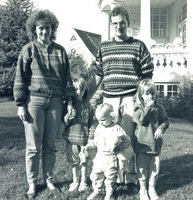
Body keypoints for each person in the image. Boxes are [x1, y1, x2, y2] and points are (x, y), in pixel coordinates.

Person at [13, 9, 75, 198]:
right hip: (35, 102)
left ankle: (48, 179)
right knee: (33, 146)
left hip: (55, 102)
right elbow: (20, 78)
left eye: (47, 28)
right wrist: (20, 104)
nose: (44, 32)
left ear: (52, 29)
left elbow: (68, 80)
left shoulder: (60, 51)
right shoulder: (28, 49)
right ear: (35, 29)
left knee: (50, 145)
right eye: (40, 28)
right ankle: (32, 183)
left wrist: (70, 102)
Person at [93, 6, 154, 190]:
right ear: (111, 25)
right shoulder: (104, 47)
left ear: (128, 23)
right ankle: (114, 177)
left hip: (130, 98)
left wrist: (145, 99)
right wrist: (89, 97)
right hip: (109, 100)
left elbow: (147, 76)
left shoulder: (138, 46)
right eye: (115, 24)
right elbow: (97, 74)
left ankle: (131, 178)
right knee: (110, 139)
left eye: (122, 23)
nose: (118, 27)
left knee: (127, 139)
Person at [83, 103, 133, 200]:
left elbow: (127, 140)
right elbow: (95, 142)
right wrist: (89, 146)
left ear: (111, 116)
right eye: (99, 120)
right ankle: (96, 190)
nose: (101, 122)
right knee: (96, 175)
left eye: (103, 120)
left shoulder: (116, 128)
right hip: (99, 156)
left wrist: (120, 141)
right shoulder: (99, 128)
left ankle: (109, 194)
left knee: (110, 177)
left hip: (111, 157)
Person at [132, 79, 169, 200]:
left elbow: (165, 121)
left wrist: (160, 129)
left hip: (155, 144)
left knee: (154, 168)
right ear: (141, 95)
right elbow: (141, 120)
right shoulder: (138, 107)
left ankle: (151, 187)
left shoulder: (160, 108)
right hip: (142, 144)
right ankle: (143, 189)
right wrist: (147, 107)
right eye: (147, 93)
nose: (150, 96)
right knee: (142, 168)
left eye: (152, 93)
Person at [62, 76, 94, 192]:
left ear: (85, 90)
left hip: (84, 138)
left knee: (84, 160)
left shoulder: (89, 105)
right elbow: (64, 121)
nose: (79, 92)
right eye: (76, 89)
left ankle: (83, 182)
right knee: (73, 161)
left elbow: (92, 122)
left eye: (82, 89)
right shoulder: (69, 106)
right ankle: (75, 180)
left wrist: (91, 137)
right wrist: (69, 116)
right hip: (71, 138)